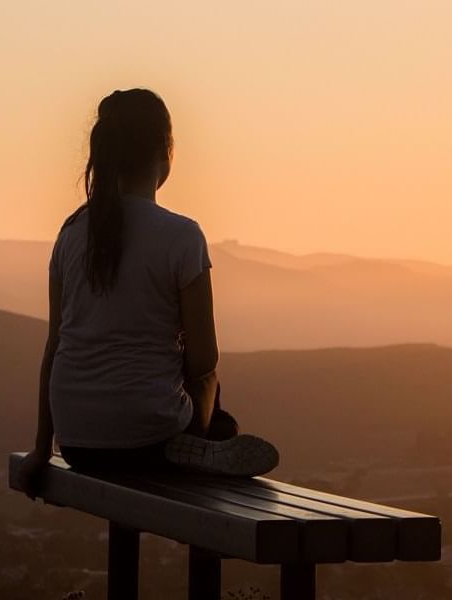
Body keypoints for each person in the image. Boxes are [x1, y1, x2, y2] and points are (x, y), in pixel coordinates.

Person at [15, 89, 278, 497]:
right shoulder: (182, 236)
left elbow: (55, 347)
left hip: (78, 442)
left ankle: (197, 442)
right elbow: (205, 359)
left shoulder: (70, 233)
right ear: (165, 151)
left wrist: (40, 449)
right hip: (150, 439)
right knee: (214, 394)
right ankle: (204, 444)